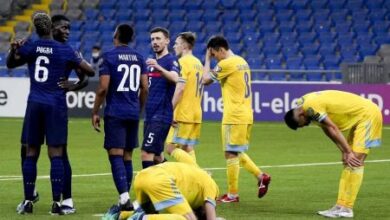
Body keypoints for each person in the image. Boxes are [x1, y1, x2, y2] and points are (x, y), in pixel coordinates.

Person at [7, 12, 94, 215]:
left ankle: (41, 199)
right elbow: (88, 72)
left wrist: (74, 85)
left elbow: (11, 63)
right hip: (54, 105)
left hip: (36, 103)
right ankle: (50, 201)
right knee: (52, 153)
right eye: (64, 28)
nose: (67, 32)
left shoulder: (32, 45)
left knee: (36, 152)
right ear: (52, 28)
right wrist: (74, 82)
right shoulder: (66, 51)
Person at [284, 90, 383, 218]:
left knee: (355, 161)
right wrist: (344, 151)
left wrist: (348, 151)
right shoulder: (304, 106)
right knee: (349, 161)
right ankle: (340, 206)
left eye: (301, 125)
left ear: (301, 115)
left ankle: (347, 208)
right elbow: (327, 129)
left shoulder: (310, 108)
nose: (305, 126)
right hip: (360, 117)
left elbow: (333, 128)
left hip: (368, 115)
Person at [202, 35, 271, 203]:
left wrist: (206, 59)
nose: (214, 57)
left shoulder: (226, 63)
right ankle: (259, 178)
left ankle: (235, 193)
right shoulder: (242, 61)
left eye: (214, 54)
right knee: (235, 151)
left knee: (230, 152)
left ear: (220, 50)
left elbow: (205, 80)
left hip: (234, 115)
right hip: (246, 113)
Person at [91, 23, 149, 219]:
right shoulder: (139, 58)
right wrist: (139, 108)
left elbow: (102, 88)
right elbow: (145, 87)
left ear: (116, 35)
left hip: (115, 112)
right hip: (132, 112)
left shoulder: (109, 57)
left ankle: (124, 199)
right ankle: (124, 197)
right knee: (127, 156)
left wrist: (95, 111)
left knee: (115, 155)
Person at [119, 162, 219, 220]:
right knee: (187, 219)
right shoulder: (211, 185)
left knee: (150, 213)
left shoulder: (195, 176)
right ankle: (140, 219)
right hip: (159, 179)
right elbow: (210, 214)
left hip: (141, 177)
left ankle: (118, 215)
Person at [141, 27, 180, 169]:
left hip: (161, 115)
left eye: (158, 39)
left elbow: (176, 78)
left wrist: (160, 68)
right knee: (157, 157)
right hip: (150, 115)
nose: (155, 42)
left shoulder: (171, 61)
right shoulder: (151, 64)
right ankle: (175, 181)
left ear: (167, 41)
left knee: (146, 153)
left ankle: (148, 189)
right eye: (152, 39)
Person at [164, 32, 204, 166]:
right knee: (187, 148)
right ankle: (197, 182)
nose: (174, 46)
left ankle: (201, 174)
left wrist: (170, 111)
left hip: (183, 113)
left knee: (170, 148)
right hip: (196, 113)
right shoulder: (198, 63)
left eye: (176, 43)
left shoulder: (182, 62)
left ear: (184, 46)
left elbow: (180, 88)